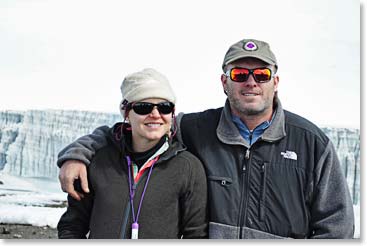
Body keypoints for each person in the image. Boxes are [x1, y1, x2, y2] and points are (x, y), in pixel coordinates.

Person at [57, 39, 354, 239]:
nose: (251, 82)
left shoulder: (311, 143)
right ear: (224, 82)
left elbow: (336, 227)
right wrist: (77, 154)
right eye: (239, 73)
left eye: (261, 74)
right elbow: (135, 130)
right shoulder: (195, 128)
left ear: (275, 83)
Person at [57, 68, 208, 239]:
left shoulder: (188, 168)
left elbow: (196, 236)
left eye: (165, 107)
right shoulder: (98, 161)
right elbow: (72, 226)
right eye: (144, 107)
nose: (156, 115)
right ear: (127, 112)